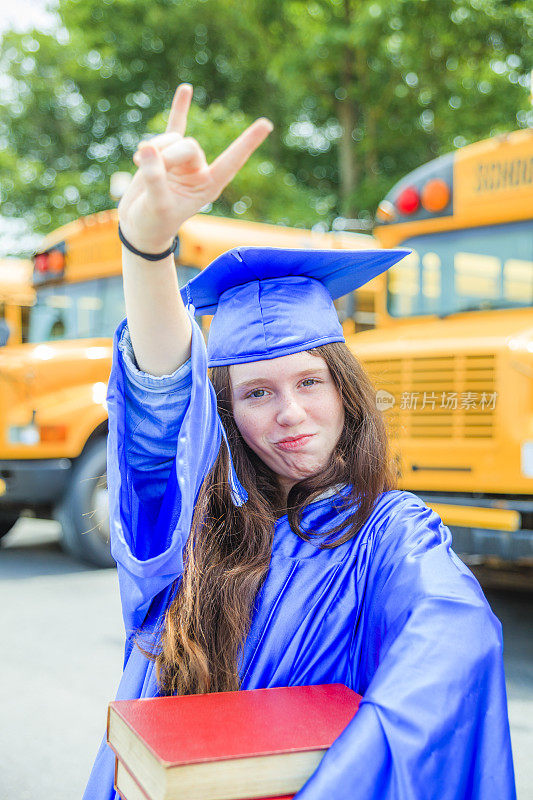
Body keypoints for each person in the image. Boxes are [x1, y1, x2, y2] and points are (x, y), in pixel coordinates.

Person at [83, 84, 516, 799]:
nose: (290, 412)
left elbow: (452, 636)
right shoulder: (185, 527)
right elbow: (160, 413)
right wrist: (149, 246)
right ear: (224, 412)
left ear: (344, 391)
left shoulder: (386, 533)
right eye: (256, 392)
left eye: (309, 382)